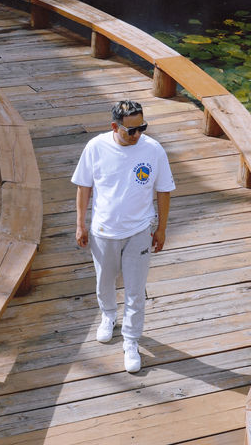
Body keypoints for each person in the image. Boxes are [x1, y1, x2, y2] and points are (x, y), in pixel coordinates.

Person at [72, 99, 175, 373]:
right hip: (103, 231)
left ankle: (131, 341)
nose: (138, 134)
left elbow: (163, 190)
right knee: (104, 281)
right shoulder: (95, 147)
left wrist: (161, 228)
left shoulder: (153, 150)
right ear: (114, 127)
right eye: (131, 130)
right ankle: (108, 316)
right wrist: (80, 224)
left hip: (139, 232)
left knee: (135, 291)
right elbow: (84, 187)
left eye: (142, 127)